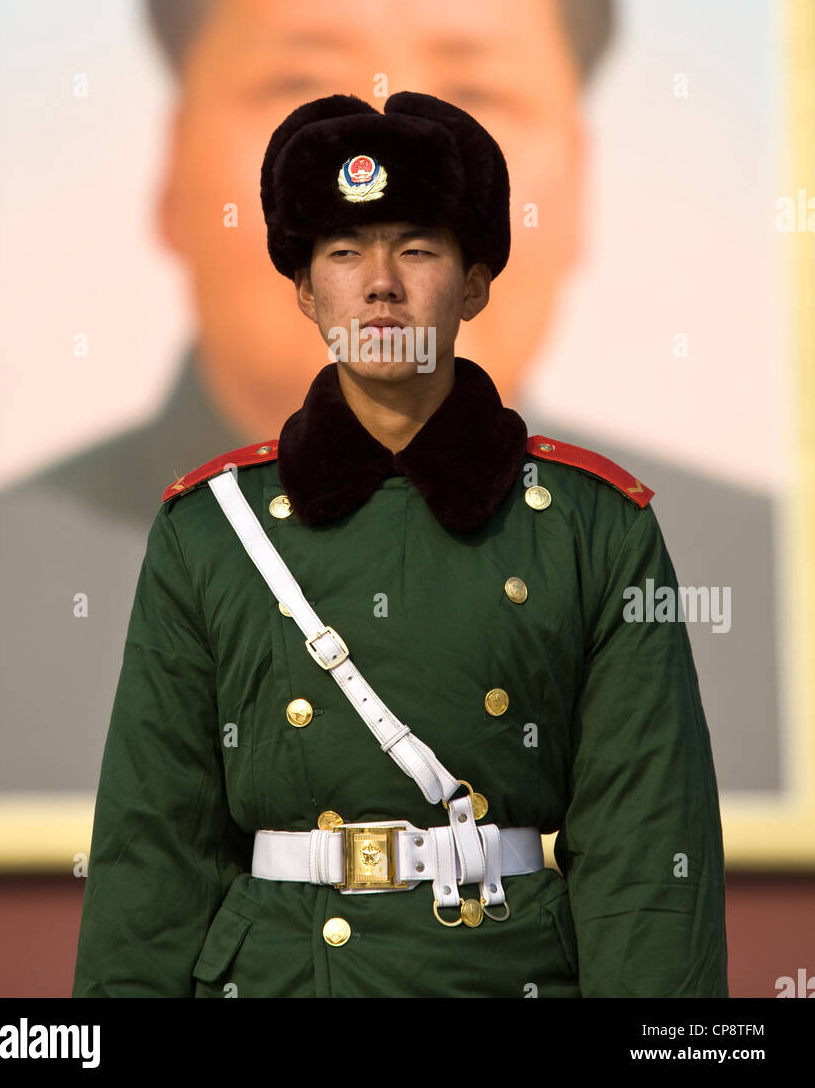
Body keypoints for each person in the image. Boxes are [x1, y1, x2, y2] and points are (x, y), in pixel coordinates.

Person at [72, 90, 728, 999]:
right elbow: (153, 851)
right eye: (343, 253)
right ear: (305, 290)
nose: (381, 282)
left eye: (417, 249)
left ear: (473, 282)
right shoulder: (210, 531)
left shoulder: (592, 524)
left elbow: (649, 849)